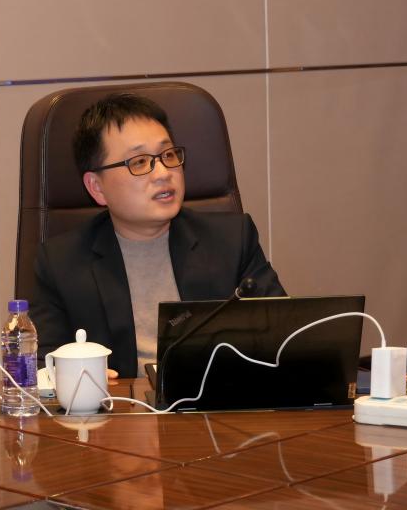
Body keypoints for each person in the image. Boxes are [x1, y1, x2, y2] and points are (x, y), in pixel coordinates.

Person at [30, 92, 285, 378]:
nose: (163, 172)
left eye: (168, 155)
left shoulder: (232, 240)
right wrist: (76, 377)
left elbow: (286, 339)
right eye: (139, 162)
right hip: (116, 406)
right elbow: (42, 367)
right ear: (97, 188)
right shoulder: (61, 264)